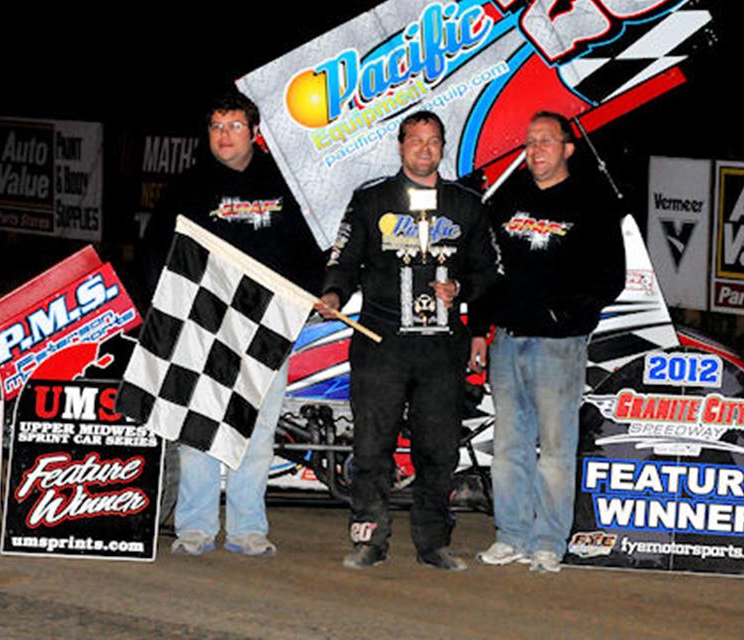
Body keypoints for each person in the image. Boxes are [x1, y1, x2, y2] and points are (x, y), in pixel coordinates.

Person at [143, 90, 325, 558]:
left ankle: (248, 528)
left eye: (234, 126)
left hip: (267, 328)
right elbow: (155, 256)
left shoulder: (285, 184)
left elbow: (311, 255)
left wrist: (310, 298)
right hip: (202, 327)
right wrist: (163, 315)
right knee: (197, 431)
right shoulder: (186, 188)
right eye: (217, 127)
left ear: (255, 133)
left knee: (256, 432)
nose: (224, 136)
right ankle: (196, 528)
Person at [317, 110, 498, 571]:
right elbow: (344, 260)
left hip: (442, 349)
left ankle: (434, 542)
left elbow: (488, 272)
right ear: (400, 146)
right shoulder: (371, 199)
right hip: (381, 342)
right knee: (371, 445)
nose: (424, 148)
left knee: (438, 447)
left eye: (433, 141)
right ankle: (369, 538)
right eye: (415, 140)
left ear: (443, 147)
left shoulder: (467, 204)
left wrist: (464, 297)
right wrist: (334, 293)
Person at [469, 111, 625, 573]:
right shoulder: (507, 199)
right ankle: (511, 535)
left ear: (567, 149)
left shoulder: (593, 201)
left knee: (556, 449)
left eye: (546, 141)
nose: (535, 150)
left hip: (558, 346)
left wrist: (568, 315)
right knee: (509, 446)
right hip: (508, 342)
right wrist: (480, 328)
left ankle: (549, 542)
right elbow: (485, 270)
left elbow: (610, 277)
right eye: (530, 141)